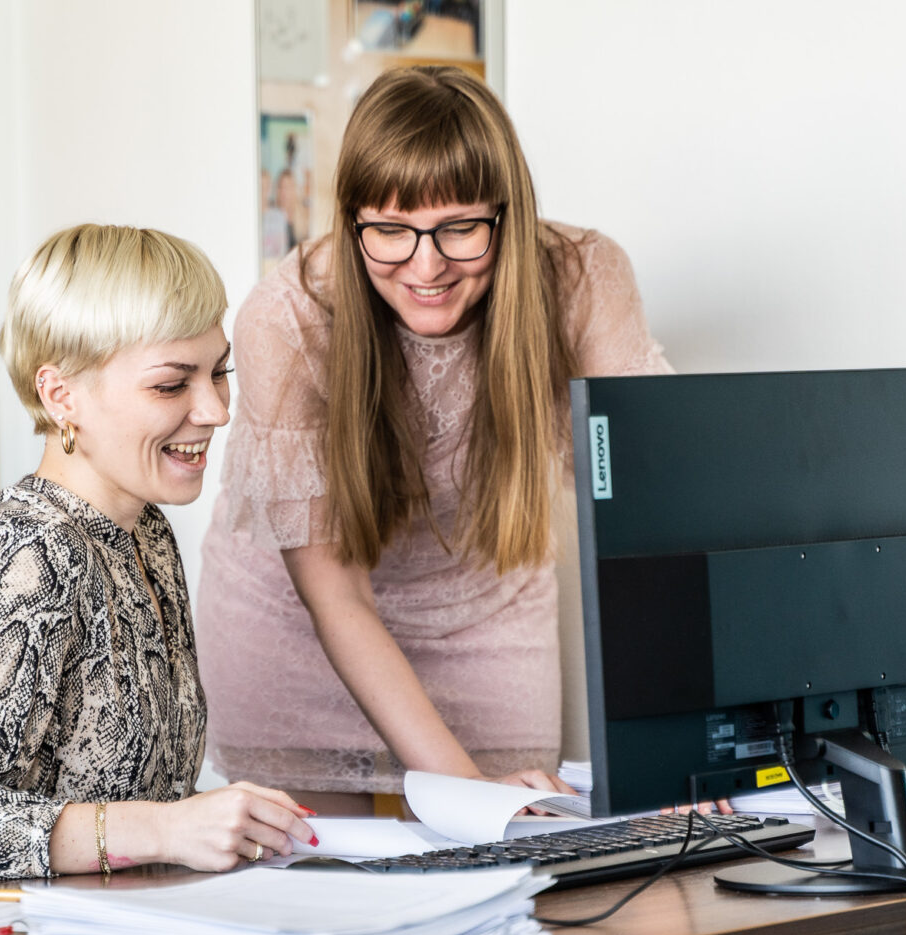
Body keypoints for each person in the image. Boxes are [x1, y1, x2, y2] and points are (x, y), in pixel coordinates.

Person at [198, 65, 671, 813]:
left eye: (459, 228)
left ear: (506, 216)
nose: (426, 265)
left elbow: (651, 515)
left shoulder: (581, 279)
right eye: (389, 231)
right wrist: (468, 794)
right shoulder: (286, 318)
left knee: (514, 876)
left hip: (486, 613)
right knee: (337, 896)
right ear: (351, 219)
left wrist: (678, 757)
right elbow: (338, 598)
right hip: (302, 622)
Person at [0, 225, 317, 883]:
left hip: (120, 929)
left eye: (219, 372)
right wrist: (162, 829)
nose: (214, 409)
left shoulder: (145, 532)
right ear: (60, 395)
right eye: (171, 385)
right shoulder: (22, 560)